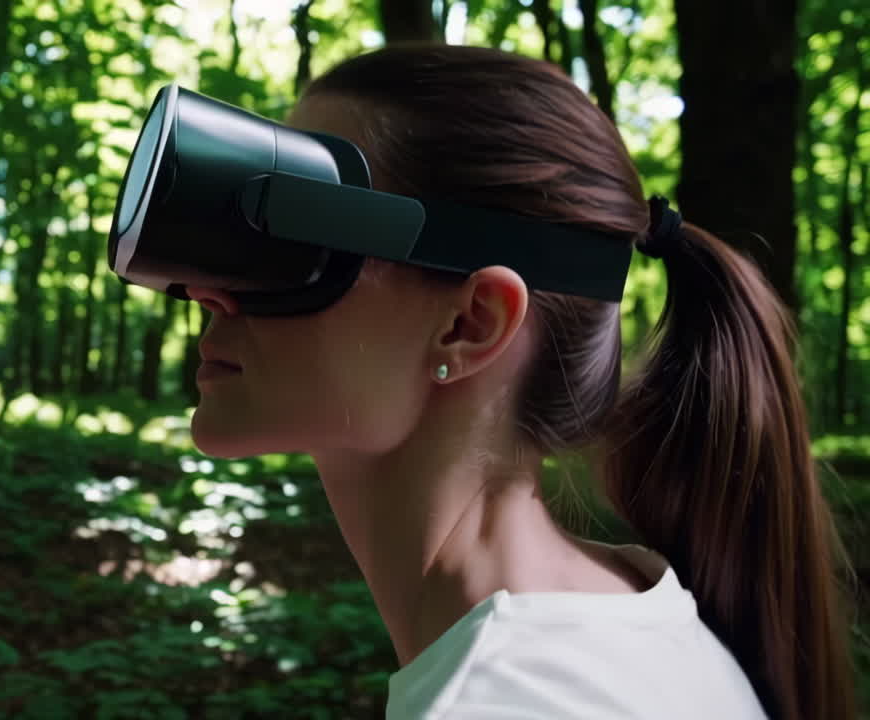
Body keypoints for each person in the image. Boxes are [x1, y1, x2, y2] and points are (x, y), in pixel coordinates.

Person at [182, 45, 856, 719]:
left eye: (291, 238)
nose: (211, 290)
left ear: (470, 324)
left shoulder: (500, 700)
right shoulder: (625, 615)